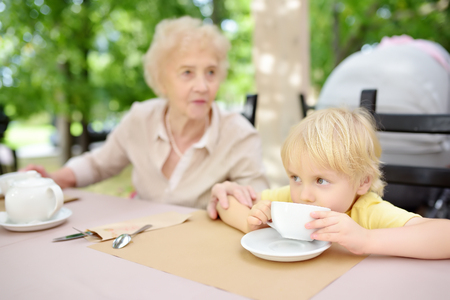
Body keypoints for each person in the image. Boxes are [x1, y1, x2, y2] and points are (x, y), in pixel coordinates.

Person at [24, 16, 269, 209]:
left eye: (211, 72)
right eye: (187, 73)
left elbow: (259, 202)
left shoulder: (239, 134)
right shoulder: (140, 118)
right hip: (139, 241)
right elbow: (98, 165)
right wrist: (54, 178)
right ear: (162, 81)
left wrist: (238, 198)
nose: (202, 86)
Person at [209, 107, 450, 259]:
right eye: (295, 178)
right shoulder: (289, 201)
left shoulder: (366, 211)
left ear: (362, 182)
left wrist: (366, 239)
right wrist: (253, 222)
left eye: (321, 180)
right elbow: (225, 203)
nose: (304, 194)